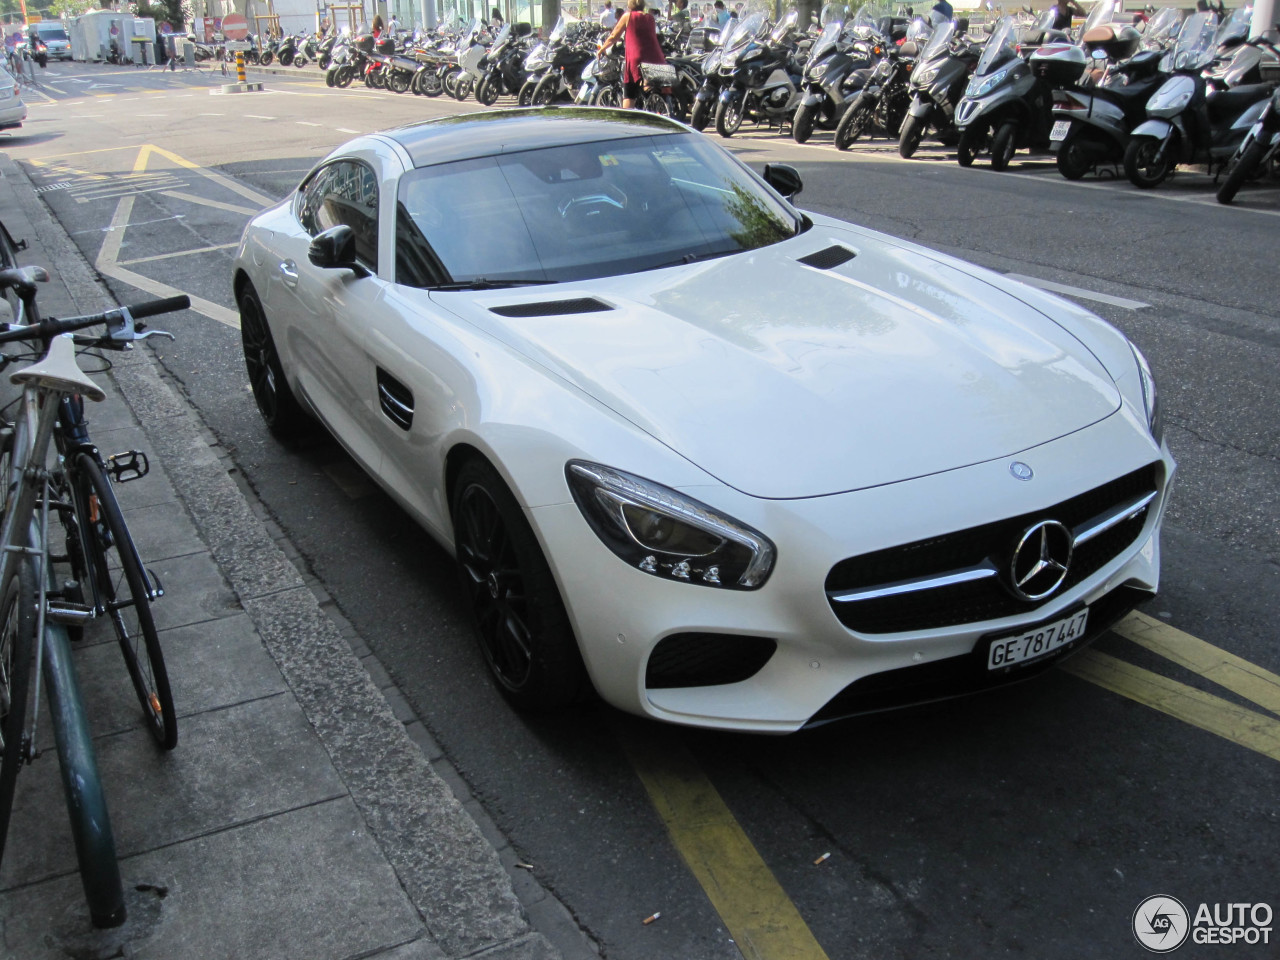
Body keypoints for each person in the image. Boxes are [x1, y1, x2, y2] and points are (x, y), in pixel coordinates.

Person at [599, 0, 667, 108]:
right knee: (649, 85)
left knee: (629, 94)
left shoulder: (628, 16)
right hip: (657, 57)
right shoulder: (650, 18)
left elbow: (613, 36)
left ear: (630, 4)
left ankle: (627, 120)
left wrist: (601, 49)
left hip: (637, 58)